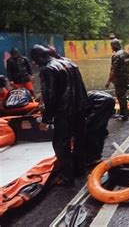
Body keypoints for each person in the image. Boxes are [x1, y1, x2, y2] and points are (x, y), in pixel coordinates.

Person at [31, 45, 88, 186]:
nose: (35, 64)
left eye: (35, 61)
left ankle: (67, 177)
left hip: (64, 112)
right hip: (79, 108)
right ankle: (80, 169)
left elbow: (50, 97)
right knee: (80, 139)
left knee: (61, 144)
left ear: (38, 58)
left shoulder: (48, 70)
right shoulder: (70, 63)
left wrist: (46, 119)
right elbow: (82, 87)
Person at [105, 39, 129, 121]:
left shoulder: (116, 56)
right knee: (123, 95)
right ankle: (123, 113)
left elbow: (114, 70)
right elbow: (128, 67)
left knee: (121, 96)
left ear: (114, 46)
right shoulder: (126, 54)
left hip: (119, 79)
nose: (111, 48)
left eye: (111, 46)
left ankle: (124, 115)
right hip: (126, 78)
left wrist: (108, 81)